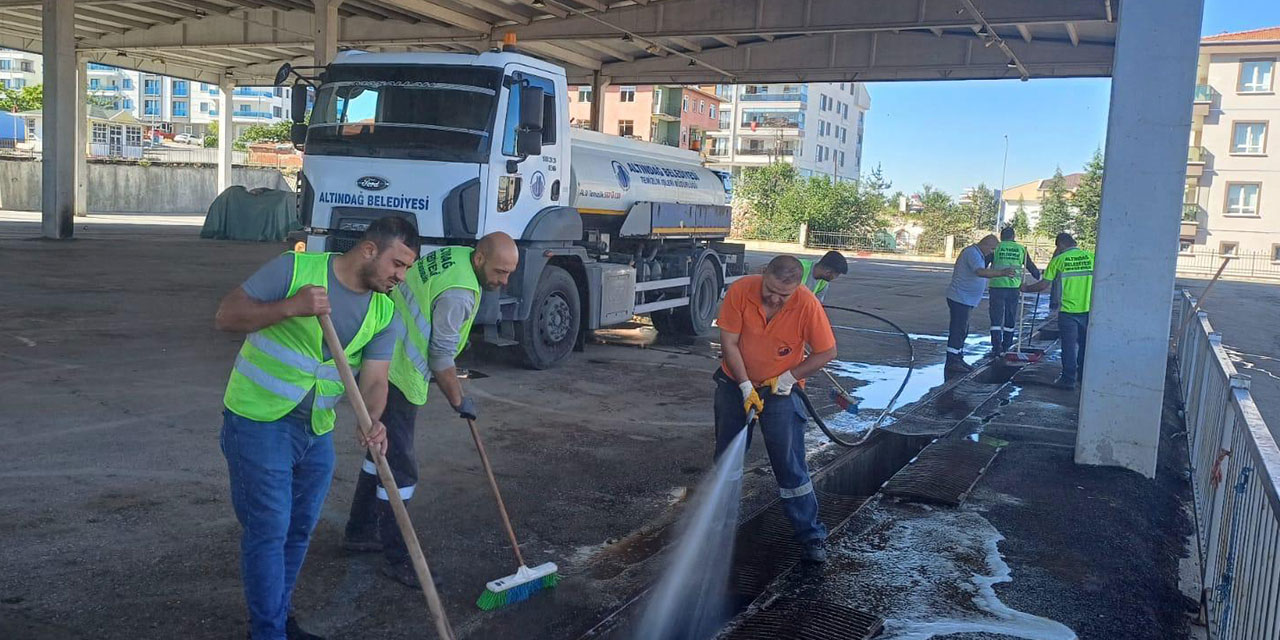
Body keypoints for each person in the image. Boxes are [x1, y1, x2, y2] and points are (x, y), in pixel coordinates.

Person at [215, 216, 418, 640]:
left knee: (298, 530)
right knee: (269, 529)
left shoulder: (384, 312)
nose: (401, 276)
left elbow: (375, 380)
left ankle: (279, 619)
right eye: (397, 264)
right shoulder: (296, 270)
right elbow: (227, 316)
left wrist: (373, 419)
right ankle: (268, 633)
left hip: (315, 429)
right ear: (368, 250)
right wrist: (290, 306)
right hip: (258, 419)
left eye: (407, 269)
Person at [342, 232, 520, 587]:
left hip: (383, 353)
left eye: (510, 273)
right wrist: (459, 401)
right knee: (402, 469)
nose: (504, 281)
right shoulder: (461, 293)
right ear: (481, 259)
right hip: (399, 372)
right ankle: (398, 556)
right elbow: (440, 357)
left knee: (380, 453)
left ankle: (360, 530)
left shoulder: (455, 255)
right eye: (501, 272)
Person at [715, 255, 838, 563]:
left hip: (779, 390)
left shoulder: (807, 304)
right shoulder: (741, 291)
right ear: (763, 275)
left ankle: (811, 535)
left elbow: (827, 351)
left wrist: (789, 377)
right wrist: (745, 385)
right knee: (727, 459)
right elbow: (729, 343)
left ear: (796, 288)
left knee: (789, 462)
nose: (774, 298)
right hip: (734, 384)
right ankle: (723, 526)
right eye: (770, 289)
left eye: (784, 295)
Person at [1023, 233, 1094, 390]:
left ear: (1060, 245)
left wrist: (1026, 288)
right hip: (1089, 309)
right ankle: (1083, 376)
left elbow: (1043, 285)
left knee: (1068, 346)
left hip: (1068, 311)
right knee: (1085, 344)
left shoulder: (1058, 260)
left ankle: (1068, 380)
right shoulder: (1091, 256)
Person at [944, 235, 1016, 373]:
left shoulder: (978, 253)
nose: (992, 252)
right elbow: (980, 272)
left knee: (962, 330)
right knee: (958, 330)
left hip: (966, 299)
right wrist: (1002, 273)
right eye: (992, 249)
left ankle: (958, 357)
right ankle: (952, 361)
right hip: (960, 298)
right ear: (985, 244)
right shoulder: (972, 253)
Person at [987, 227, 1041, 356]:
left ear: (1001, 236)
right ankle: (1007, 345)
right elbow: (1030, 265)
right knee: (1010, 316)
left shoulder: (996, 248)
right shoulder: (1021, 249)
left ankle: (996, 347)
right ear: (1013, 236)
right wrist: (1038, 275)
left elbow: (983, 263)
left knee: (996, 318)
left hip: (996, 286)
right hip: (1014, 287)